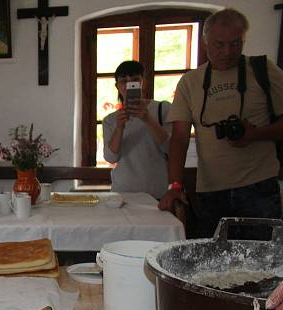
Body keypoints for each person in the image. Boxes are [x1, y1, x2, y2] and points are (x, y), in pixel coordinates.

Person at [159, 8, 283, 238]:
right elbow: (179, 139)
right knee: (213, 267)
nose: (227, 52)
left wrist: (255, 134)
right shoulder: (190, 82)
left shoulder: (263, 70)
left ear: (244, 40)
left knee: (261, 264)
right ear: (205, 42)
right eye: (219, 44)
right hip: (210, 191)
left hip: (259, 187)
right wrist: (175, 186)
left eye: (235, 44)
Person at [102, 60, 171, 200]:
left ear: (142, 82)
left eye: (134, 80)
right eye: (123, 81)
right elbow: (110, 157)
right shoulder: (110, 120)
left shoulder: (162, 109)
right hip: (123, 192)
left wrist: (147, 119)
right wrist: (119, 127)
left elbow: (171, 147)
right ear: (118, 86)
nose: (128, 85)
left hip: (157, 190)